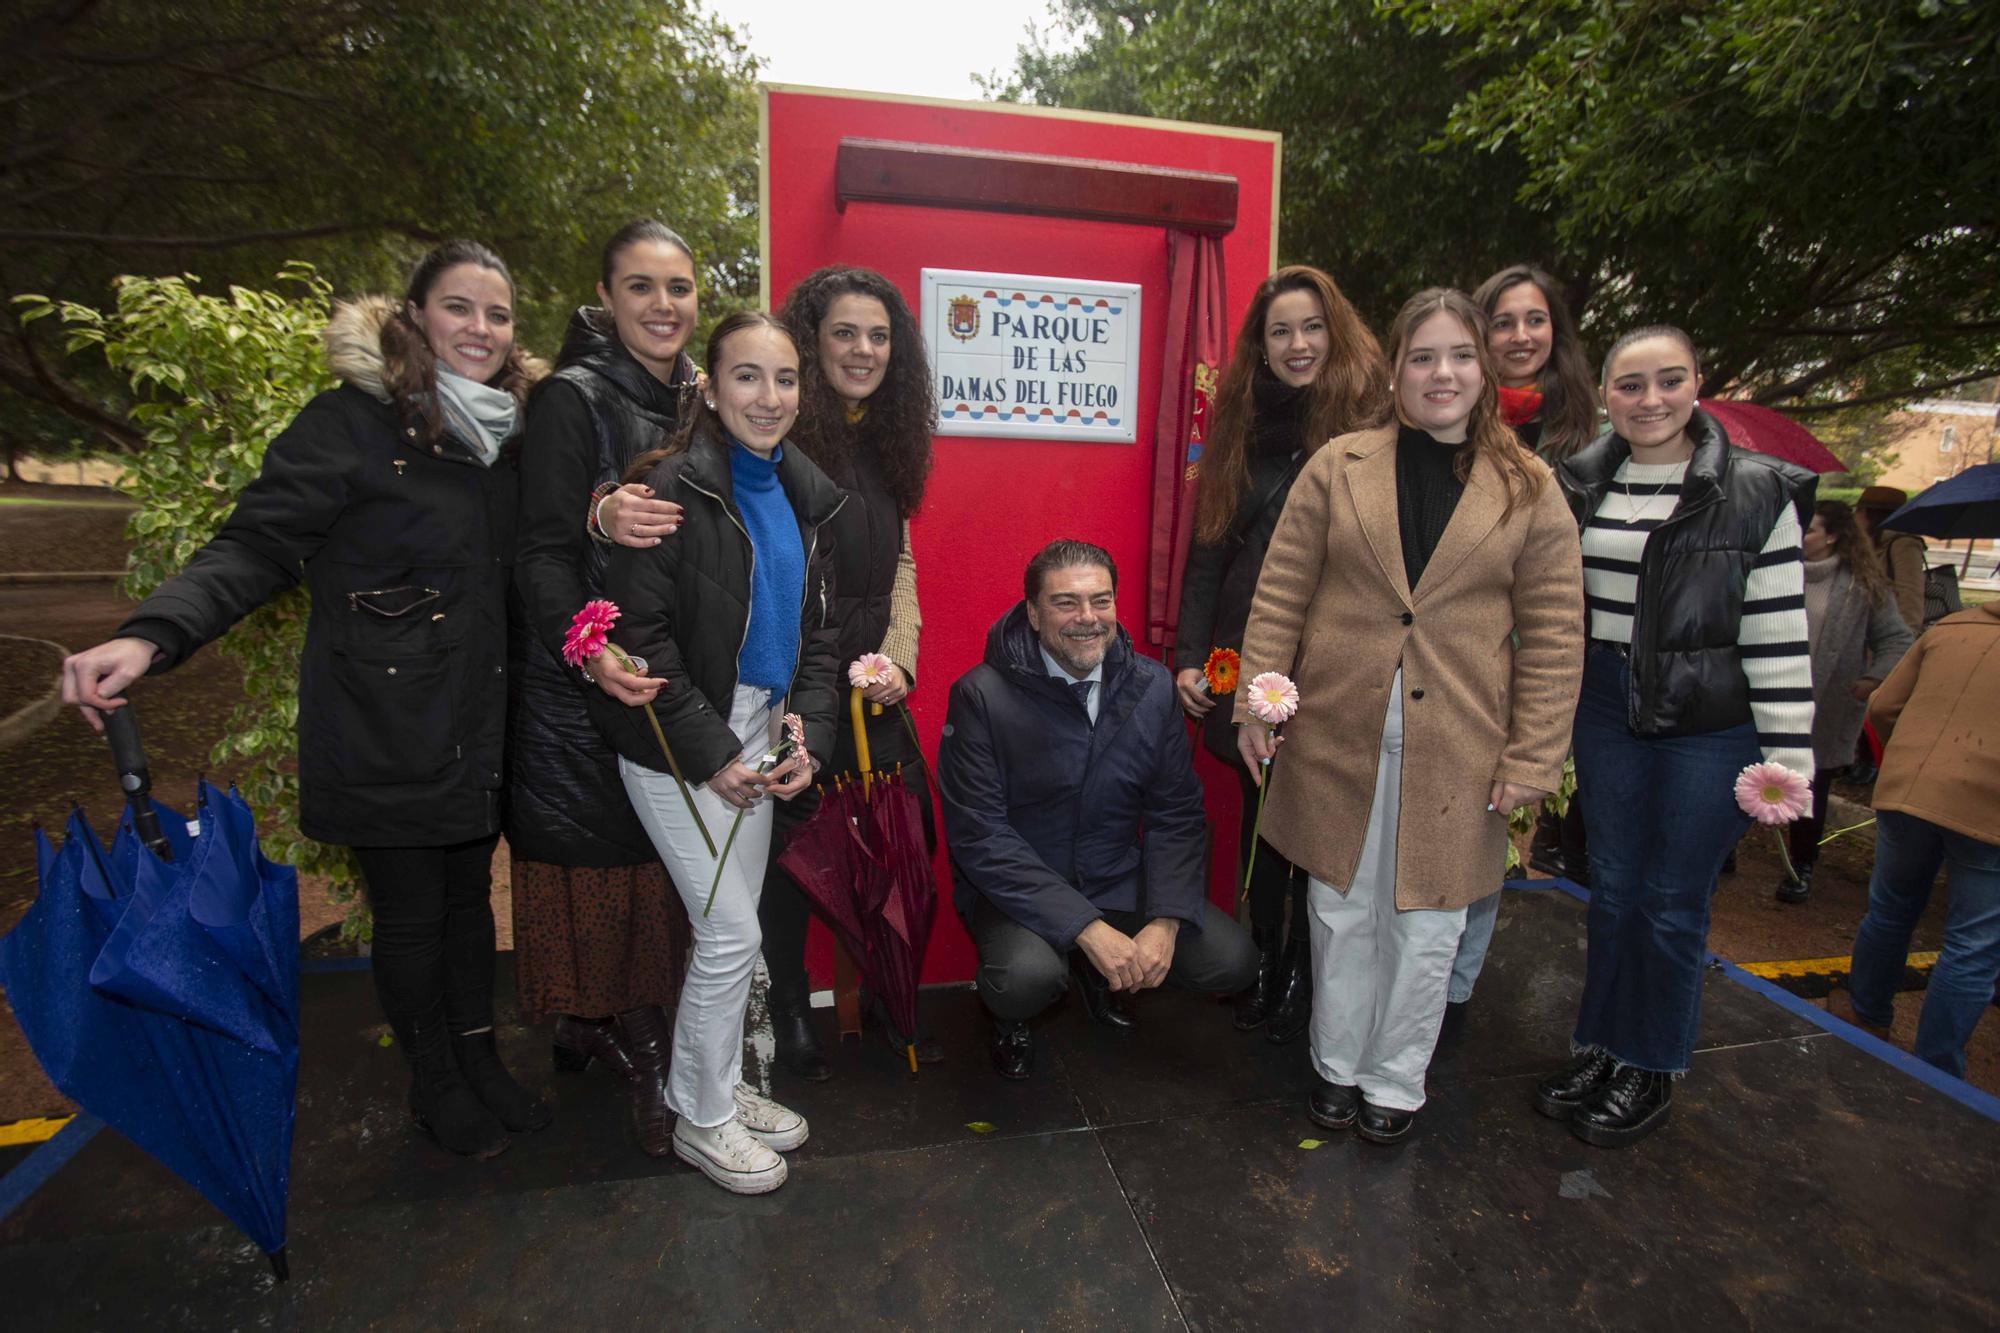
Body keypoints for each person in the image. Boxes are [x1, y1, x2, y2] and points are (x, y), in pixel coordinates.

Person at [61, 241, 548, 1159]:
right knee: (409, 913)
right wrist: (150, 633)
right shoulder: (349, 425)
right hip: (388, 719)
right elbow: (255, 545)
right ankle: (434, 1083)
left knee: (468, 902)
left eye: (498, 313)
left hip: (482, 719)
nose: (480, 330)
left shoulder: (512, 438)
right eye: (458, 308)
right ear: (413, 316)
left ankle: (480, 1061)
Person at [1237, 287, 1584, 1144]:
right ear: (1395, 370)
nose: (1443, 373)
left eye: (1460, 355)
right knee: (1338, 908)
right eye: (1423, 356)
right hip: (1333, 735)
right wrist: (1259, 697)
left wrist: (1533, 758)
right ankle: (1336, 1066)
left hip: (1462, 746)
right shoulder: (1339, 465)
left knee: (1430, 921)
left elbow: (1553, 635)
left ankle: (1396, 1078)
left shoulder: (1529, 487)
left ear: (1486, 369)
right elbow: (1282, 589)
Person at [1537, 325, 1816, 1148]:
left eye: (1668, 380)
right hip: (1605, 706)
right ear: (1605, 396)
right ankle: (1602, 1045)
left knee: (1670, 900)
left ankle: (1651, 1063)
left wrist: (1788, 758)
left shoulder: (1759, 490)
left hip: (1712, 725)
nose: (1649, 399)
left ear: (1698, 382)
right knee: (1614, 888)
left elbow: (1776, 630)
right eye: (1630, 384)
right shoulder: (1577, 483)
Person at [602, 311, 844, 1195]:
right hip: (676, 740)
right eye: (747, 377)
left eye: (783, 380)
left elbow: (819, 637)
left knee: (732, 936)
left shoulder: (805, 493)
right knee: (731, 930)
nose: (768, 397)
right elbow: (643, 642)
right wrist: (712, 752)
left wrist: (803, 730)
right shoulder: (671, 488)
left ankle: (723, 1087)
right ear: (710, 384)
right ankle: (699, 1120)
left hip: (762, 727)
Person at [507, 220, 699, 1142]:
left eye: (679, 287)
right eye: (641, 287)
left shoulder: (704, 394)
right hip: (585, 687)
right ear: (607, 297)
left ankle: (595, 1025)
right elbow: (537, 552)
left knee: (664, 875)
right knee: (606, 872)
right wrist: (588, 648)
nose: (664, 305)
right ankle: (643, 1053)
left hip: (677, 675)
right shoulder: (570, 399)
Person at [939, 540, 1260, 1080]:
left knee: (1233, 961)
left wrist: (1165, 919)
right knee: (1024, 980)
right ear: (1034, 614)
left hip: (1116, 876)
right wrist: (1086, 928)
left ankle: (1094, 973)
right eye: (1066, 603)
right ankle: (1012, 1019)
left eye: (1101, 600)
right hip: (1021, 890)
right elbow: (980, 836)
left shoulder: (1152, 686)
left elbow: (1176, 812)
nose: (1087, 618)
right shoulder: (980, 695)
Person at [1173, 265, 1389, 1043]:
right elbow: (1207, 554)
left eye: (1311, 327)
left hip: (1338, 661)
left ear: (1337, 333)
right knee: (1262, 823)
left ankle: (1311, 966)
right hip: (1247, 657)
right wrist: (1191, 656)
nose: (1298, 344)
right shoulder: (1237, 425)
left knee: (1323, 822)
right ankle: (1266, 957)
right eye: (1280, 332)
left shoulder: (1377, 425)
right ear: (1259, 349)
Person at [763, 266, 936, 1081]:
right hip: (799, 683)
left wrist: (899, 656)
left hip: (873, 688)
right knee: (792, 859)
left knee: (884, 848)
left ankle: (883, 999)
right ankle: (793, 1011)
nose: (863, 350)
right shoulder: (781, 434)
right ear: (811, 340)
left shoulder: (889, 435)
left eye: (878, 335)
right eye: (844, 332)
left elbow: (900, 559)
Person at [1453, 264, 1604, 1019]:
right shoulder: (1446, 423)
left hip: (1542, 662)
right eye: (1502, 321)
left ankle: (1453, 987)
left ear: (1556, 332)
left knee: (1503, 828)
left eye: (1534, 320)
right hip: (1460, 664)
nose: (1519, 335)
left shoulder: (1590, 441)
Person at [1845, 597, 2000, 1078]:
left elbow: (1883, 704)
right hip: (1987, 807)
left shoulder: (1952, 626)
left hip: (1909, 787)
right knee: (1971, 946)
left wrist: (1914, 755)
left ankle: (1865, 1020)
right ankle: (1934, 1071)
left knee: (1890, 912)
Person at [1775, 501, 1912, 903]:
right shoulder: (1777, 573)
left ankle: (1800, 866)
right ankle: (1725, 852)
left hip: (1826, 706)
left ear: (1833, 536)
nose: (1801, 537)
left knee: (1810, 785)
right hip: (1766, 696)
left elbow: (1897, 638)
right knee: (1747, 774)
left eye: (1811, 530)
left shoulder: (1862, 586)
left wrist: (1871, 679)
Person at [1855, 486, 1929, 640]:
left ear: (1868, 514)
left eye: (1858, 511)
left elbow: (1911, 593)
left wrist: (1904, 638)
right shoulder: (1868, 543)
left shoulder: (1904, 545)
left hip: (1889, 636)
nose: (1855, 517)